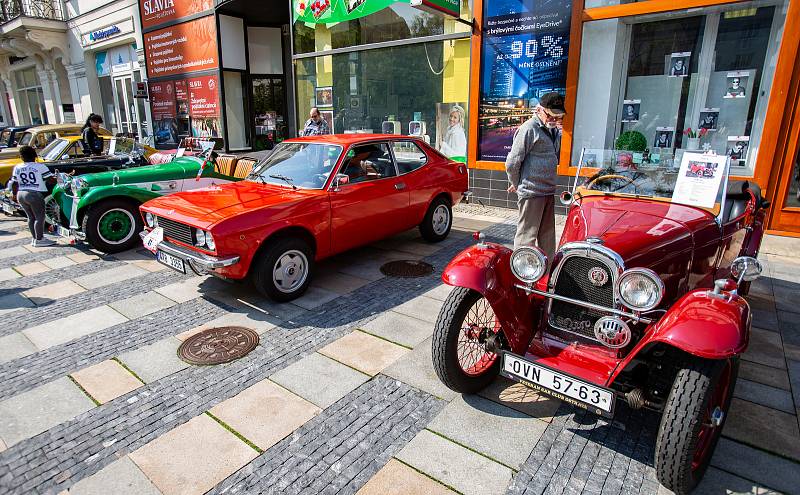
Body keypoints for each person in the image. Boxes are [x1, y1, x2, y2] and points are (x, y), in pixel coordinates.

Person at [505, 92, 564, 262]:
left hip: (547, 190)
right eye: (551, 115)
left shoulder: (552, 130)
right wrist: (517, 184)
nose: (555, 119)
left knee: (547, 236)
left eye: (558, 115)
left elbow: (554, 153)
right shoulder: (529, 128)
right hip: (532, 192)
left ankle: (547, 272)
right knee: (526, 238)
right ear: (539, 110)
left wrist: (558, 133)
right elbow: (512, 163)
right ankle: (522, 272)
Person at [10, 146, 56, 247]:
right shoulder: (40, 166)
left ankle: (35, 238)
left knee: (30, 217)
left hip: (21, 193)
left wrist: (13, 194)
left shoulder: (17, 167)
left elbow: (14, 183)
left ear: (22, 157)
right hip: (34, 194)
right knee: (40, 217)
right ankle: (39, 239)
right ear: (34, 155)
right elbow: (50, 180)